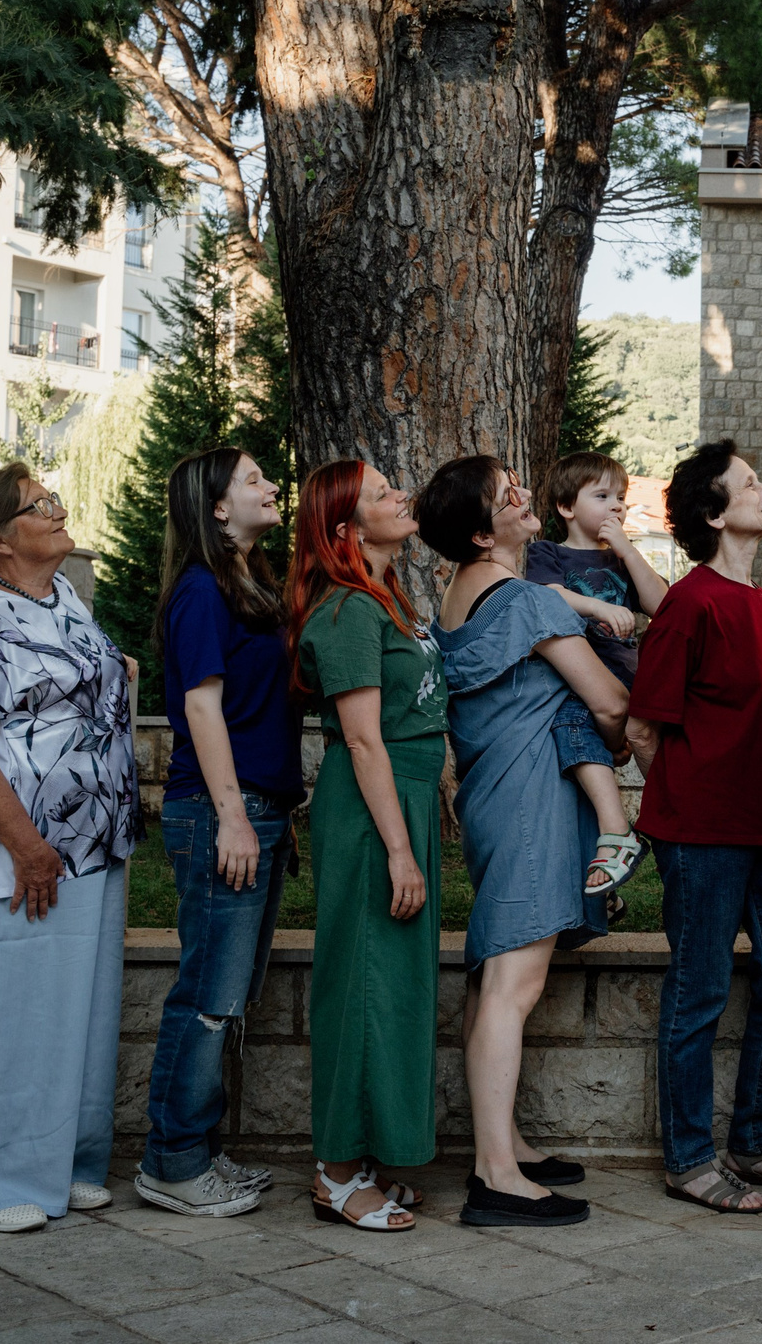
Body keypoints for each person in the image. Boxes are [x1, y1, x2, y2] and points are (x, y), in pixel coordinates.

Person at [0, 462, 142, 1233]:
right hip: (24, 854)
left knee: (77, 1016)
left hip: (91, 842)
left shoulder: (64, 597)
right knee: (12, 1014)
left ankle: (64, 1165)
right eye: (38, 505)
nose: (57, 510)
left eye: (51, 498)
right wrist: (28, 848)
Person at [419, 455, 630, 1229]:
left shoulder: (458, 594)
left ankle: (504, 1142)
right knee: (516, 982)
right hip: (533, 797)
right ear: (481, 532)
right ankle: (497, 1174)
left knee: (492, 973)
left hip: (491, 795)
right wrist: (618, 734)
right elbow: (607, 699)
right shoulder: (527, 603)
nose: (521, 493)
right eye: (504, 493)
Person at [622, 441, 762, 1216]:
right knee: (699, 990)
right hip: (700, 831)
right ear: (714, 512)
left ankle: (756, 1139)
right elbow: (644, 728)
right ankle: (689, 1156)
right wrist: (691, 798)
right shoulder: (689, 602)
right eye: (750, 484)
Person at [136, 448, 295, 1217]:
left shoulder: (251, 584)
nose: (271, 486)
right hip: (220, 811)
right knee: (206, 994)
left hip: (256, 809)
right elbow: (200, 709)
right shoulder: (200, 590)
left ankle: (193, 1149)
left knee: (228, 996)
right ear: (217, 506)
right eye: (254, 479)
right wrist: (233, 815)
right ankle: (170, 1161)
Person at [290, 458, 443, 1234]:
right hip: (371, 813)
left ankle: (371, 1155)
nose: (400, 496)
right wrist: (399, 850)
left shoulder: (386, 599)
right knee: (360, 984)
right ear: (346, 529)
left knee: (395, 983)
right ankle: (336, 1171)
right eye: (383, 493)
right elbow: (361, 738)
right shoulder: (348, 610)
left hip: (403, 803)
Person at [525, 450, 668, 896]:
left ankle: (624, 830)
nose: (617, 506)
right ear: (567, 507)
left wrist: (627, 548)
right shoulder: (546, 553)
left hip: (623, 680)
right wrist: (599, 605)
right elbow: (548, 598)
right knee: (573, 742)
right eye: (602, 495)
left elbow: (661, 604)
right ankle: (605, 873)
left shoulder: (623, 559)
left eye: (621, 497)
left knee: (575, 725)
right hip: (578, 679)